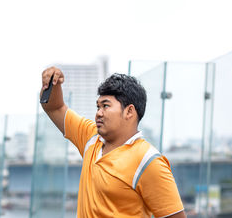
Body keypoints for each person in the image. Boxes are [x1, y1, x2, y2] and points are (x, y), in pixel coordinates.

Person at [41, 66, 186, 218]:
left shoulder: (148, 161)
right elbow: (54, 108)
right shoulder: (90, 137)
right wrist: (52, 84)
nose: (98, 113)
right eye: (98, 106)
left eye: (105, 106)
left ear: (129, 111)